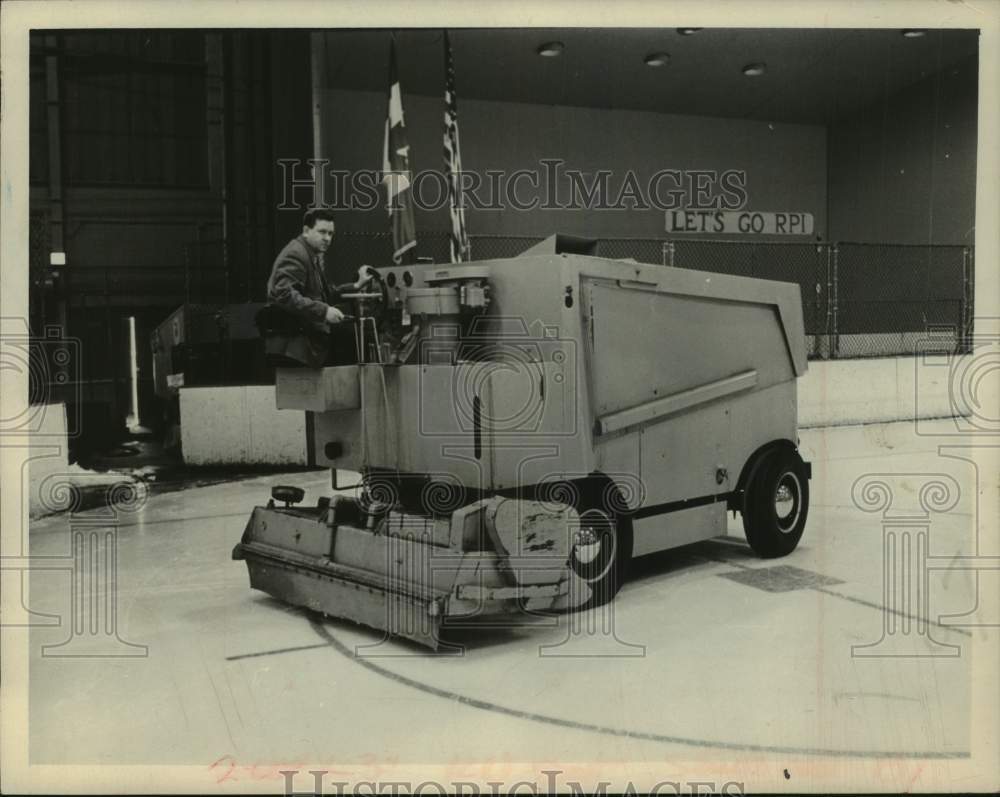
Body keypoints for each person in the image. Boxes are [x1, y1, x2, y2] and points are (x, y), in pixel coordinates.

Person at [261, 209, 376, 367]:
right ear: (306, 231)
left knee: (357, 339)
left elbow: (324, 294)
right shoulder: (296, 254)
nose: (327, 238)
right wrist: (324, 311)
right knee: (357, 343)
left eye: (330, 233)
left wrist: (356, 286)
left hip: (302, 339)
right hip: (296, 344)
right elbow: (284, 294)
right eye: (322, 232)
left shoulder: (310, 254)